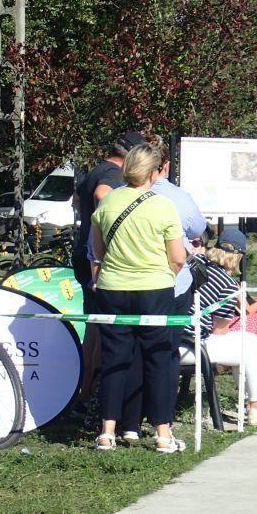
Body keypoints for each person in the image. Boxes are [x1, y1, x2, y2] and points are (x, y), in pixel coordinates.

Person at [90, 143, 187, 453]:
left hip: (112, 287)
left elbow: (98, 251)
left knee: (114, 358)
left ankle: (107, 431)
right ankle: (163, 434)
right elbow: (178, 257)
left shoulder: (107, 202)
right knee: (158, 357)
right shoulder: (163, 206)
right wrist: (166, 274)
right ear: (152, 173)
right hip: (154, 288)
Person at [118, 138, 208, 443]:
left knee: (132, 354)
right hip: (167, 284)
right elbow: (196, 230)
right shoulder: (175, 198)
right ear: (163, 166)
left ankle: (129, 423)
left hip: (125, 285)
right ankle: (162, 424)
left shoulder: (116, 197)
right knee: (164, 355)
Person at [178, 232, 257, 425]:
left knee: (251, 337)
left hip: (173, 334)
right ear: (239, 257)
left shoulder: (196, 263)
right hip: (192, 342)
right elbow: (219, 331)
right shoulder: (227, 285)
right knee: (250, 343)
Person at [72, 131, 145, 414]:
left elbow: (79, 199)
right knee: (103, 331)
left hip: (86, 253)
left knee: (94, 327)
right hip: (98, 259)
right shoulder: (113, 175)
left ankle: (84, 392)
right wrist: (114, 225)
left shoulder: (96, 169)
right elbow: (102, 195)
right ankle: (93, 395)